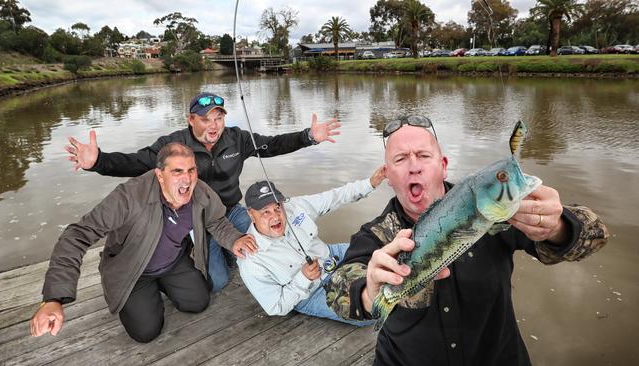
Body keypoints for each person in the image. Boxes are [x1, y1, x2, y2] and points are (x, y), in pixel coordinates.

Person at [325, 116, 609, 365]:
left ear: (443, 165)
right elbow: (337, 291)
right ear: (388, 176)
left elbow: (595, 236)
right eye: (400, 159)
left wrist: (557, 226)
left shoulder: (495, 207)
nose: (414, 167)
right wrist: (371, 292)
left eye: (423, 155)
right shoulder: (374, 235)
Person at [64, 91, 340, 292]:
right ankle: (185, 250)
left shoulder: (237, 138)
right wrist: (98, 162)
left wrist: (308, 137)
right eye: (206, 119)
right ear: (191, 120)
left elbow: (274, 144)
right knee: (217, 282)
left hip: (230, 210)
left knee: (261, 245)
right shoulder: (174, 146)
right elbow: (137, 162)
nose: (213, 126)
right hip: (195, 217)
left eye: (218, 118)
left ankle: (297, 276)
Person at [30, 143, 258, 343]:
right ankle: (143, 293)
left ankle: (165, 284)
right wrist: (53, 298)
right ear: (160, 175)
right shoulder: (129, 197)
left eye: (191, 170)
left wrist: (234, 239)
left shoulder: (199, 191)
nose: (187, 179)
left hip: (173, 261)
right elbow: (76, 235)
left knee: (199, 302)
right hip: (134, 269)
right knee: (146, 332)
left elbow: (216, 220)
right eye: (177, 171)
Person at [237, 165, 386, 325]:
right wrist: (303, 278)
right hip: (311, 293)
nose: (275, 216)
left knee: (383, 251)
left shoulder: (294, 207)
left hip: (332, 256)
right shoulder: (249, 258)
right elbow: (276, 306)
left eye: (277, 207)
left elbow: (333, 197)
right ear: (250, 214)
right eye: (265, 211)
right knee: (371, 312)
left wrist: (370, 183)